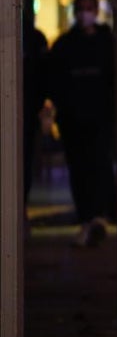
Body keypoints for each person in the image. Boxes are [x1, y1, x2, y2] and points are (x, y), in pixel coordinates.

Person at [46, 0, 117, 247]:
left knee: (99, 164)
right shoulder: (65, 45)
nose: (85, 13)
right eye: (81, 8)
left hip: (101, 117)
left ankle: (98, 214)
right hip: (73, 118)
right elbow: (54, 80)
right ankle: (88, 216)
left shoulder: (107, 41)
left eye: (89, 8)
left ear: (96, 10)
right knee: (79, 168)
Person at [23, 15, 49, 203]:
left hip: (29, 108)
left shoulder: (34, 39)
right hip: (30, 107)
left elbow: (43, 75)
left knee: (25, 158)